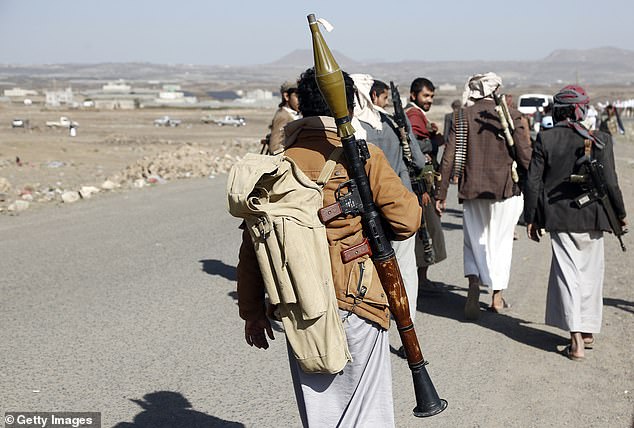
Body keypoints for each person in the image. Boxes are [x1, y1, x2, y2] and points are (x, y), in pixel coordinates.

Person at [236, 67, 421, 427]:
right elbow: (407, 221)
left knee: (320, 411)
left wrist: (252, 312)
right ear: (347, 107)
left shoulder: (276, 166)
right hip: (360, 298)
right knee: (367, 411)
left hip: (298, 302)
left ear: (301, 106)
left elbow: (252, 247)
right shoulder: (362, 156)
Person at [523, 85, 627, 361]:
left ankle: (576, 340)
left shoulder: (545, 139)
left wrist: (531, 218)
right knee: (592, 277)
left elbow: (532, 183)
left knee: (568, 276)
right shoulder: (599, 138)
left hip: (560, 218)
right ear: (581, 109)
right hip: (594, 216)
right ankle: (588, 331)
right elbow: (611, 183)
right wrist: (620, 212)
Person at [435, 72, 532, 320]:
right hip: (505, 190)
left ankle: (473, 284)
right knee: (500, 243)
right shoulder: (512, 115)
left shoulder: (462, 116)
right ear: (496, 89)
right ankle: (496, 298)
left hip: (472, 189)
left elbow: (448, 158)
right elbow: (525, 155)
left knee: (473, 240)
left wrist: (441, 192)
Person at [352, 75, 427, 323]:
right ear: (372, 96)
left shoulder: (349, 128)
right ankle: (409, 325)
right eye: (383, 98)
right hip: (400, 204)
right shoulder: (390, 122)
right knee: (405, 270)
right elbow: (417, 160)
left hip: (365, 212)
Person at [405, 77, 448, 294]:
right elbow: (413, 145)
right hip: (420, 185)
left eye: (431, 96)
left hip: (423, 183)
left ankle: (422, 279)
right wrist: (435, 140)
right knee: (426, 231)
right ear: (414, 95)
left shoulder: (417, 114)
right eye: (425, 95)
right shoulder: (413, 115)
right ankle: (420, 280)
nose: (429, 100)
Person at [264, 80, 301, 154]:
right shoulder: (283, 116)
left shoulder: (292, 114)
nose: (300, 100)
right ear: (286, 96)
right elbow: (274, 148)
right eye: (297, 96)